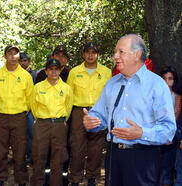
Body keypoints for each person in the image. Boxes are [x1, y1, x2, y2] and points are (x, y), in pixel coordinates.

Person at [83, 34, 176, 186]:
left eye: (121, 52)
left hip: (144, 159)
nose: (115, 56)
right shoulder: (112, 83)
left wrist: (141, 133)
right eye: (115, 52)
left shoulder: (156, 85)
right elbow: (99, 114)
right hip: (114, 157)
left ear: (137, 55)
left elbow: (169, 130)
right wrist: (92, 121)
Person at [67, 42, 112, 186]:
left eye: (93, 52)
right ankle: (75, 178)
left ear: (98, 54)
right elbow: (68, 96)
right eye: (88, 52)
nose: (90, 55)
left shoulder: (106, 72)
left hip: (98, 113)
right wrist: (67, 117)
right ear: (83, 54)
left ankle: (92, 178)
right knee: (77, 147)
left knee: (96, 148)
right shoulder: (74, 72)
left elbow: (109, 95)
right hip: (79, 112)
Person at [0, 45, 33, 186]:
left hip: (19, 118)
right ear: (5, 56)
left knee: (20, 152)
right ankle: (0, 178)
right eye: (10, 53)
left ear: (18, 56)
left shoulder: (26, 76)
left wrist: (22, 111)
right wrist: (0, 108)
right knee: (0, 150)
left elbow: (30, 98)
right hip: (0, 117)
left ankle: (21, 181)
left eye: (16, 53)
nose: (13, 56)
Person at [30, 59, 73, 186]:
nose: (54, 72)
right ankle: (38, 183)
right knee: (38, 156)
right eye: (51, 69)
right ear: (46, 70)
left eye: (56, 69)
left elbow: (68, 107)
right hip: (42, 124)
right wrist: (41, 120)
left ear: (60, 70)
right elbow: (33, 106)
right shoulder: (38, 87)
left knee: (58, 158)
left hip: (59, 125)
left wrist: (61, 121)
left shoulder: (66, 88)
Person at [159, 66, 181, 186]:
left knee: (168, 165)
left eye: (170, 78)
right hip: (155, 135)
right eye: (164, 79)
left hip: (170, 136)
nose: (167, 82)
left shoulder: (177, 96)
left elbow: (175, 117)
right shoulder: (155, 95)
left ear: (174, 80)